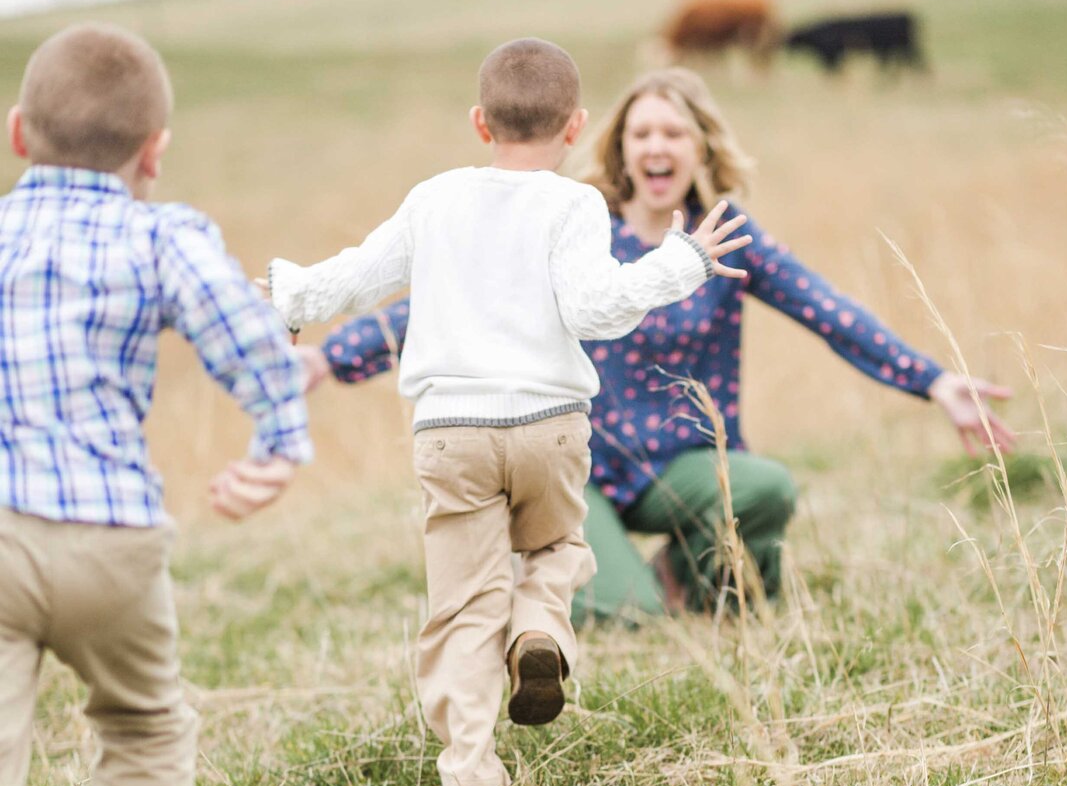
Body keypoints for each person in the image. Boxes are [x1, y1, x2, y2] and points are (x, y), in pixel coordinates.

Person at [301, 68, 1014, 618]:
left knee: (767, 489)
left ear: (700, 145)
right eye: (641, 134)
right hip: (577, 467)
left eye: (673, 132)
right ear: (620, 148)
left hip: (685, 466)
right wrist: (329, 358)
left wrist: (934, 381)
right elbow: (452, 302)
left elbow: (829, 311)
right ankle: (598, 583)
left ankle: (698, 575)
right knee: (626, 615)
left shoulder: (728, 238)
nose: (656, 146)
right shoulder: (579, 230)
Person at [265, 40, 750, 786]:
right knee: (558, 545)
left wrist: (290, 298)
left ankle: (471, 772)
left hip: (451, 433)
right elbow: (597, 309)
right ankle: (541, 633)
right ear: (577, 127)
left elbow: (360, 276)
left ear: (479, 123)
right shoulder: (576, 205)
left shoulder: (434, 199)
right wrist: (681, 262)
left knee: (463, 602)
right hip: (551, 426)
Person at [0, 24, 310, 786]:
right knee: (140, 726)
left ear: (17, 136)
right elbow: (245, 331)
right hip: (113, 538)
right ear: (154, 149)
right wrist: (279, 436)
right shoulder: (159, 233)